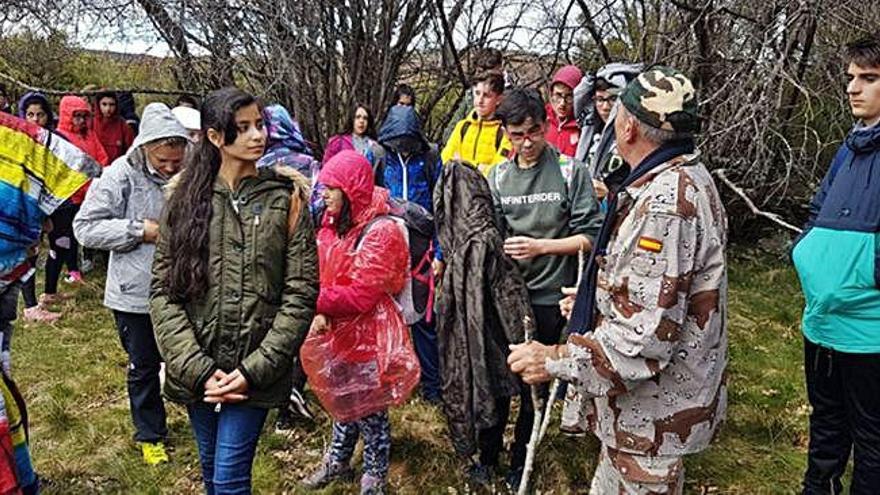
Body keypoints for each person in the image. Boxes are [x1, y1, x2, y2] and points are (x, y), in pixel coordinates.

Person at [508, 66, 728, 494]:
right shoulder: (680, 178)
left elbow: (643, 341)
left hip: (653, 416)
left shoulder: (666, 205)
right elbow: (666, 293)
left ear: (627, 127)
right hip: (641, 417)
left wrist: (552, 359)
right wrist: (603, 297)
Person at [150, 87, 318, 494]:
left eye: (259, 125)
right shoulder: (185, 201)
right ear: (214, 136)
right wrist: (198, 369)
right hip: (198, 368)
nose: (257, 135)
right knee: (211, 474)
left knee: (228, 481)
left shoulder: (286, 199)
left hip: (254, 370)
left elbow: (300, 294)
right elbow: (163, 292)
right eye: (242, 128)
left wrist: (252, 371)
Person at [487, 88, 602, 488]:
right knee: (502, 381)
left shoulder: (571, 172)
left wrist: (543, 247)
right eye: (517, 135)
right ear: (505, 133)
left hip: (555, 297)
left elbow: (591, 236)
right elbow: (491, 238)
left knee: (536, 386)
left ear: (546, 126)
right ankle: (487, 457)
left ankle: (523, 459)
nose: (527, 142)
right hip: (511, 301)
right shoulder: (497, 176)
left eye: (534, 132)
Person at [74, 102, 191, 465]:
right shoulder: (119, 175)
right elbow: (85, 227)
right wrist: (140, 230)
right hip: (134, 293)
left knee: (189, 357)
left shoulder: (190, 171)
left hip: (183, 286)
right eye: (163, 162)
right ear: (144, 148)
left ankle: (204, 421)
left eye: (177, 160)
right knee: (143, 365)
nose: (171, 168)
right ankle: (150, 434)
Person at [791, 35, 880, 494]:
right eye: (850, 78)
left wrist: (863, 276)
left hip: (870, 333)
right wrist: (805, 253)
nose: (853, 88)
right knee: (826, 428)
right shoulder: (847, 150)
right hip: (821, 325)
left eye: (869, 78)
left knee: (872, 442)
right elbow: (816, 213)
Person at [300, 150, 416, 495]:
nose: (324, 197)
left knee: (370, 408)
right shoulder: (335, 224)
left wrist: (310, 301)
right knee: (343, 400)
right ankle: (337, 461)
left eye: (331, 189)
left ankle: (374, 475)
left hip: (369, 333)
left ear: (350, 190)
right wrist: (319, 307)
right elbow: (324, 271)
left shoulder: (381, 232)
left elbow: (361, 296)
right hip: (337, 329)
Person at [432, 159, 533, 486]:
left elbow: (508, 298)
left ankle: (511, 462)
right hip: (486, 342)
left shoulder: (481, 244)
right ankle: (490, 459)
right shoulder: (471, 245)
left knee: (499, 395)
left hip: (495, 342)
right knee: (493, 395)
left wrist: (523, 339)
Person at [256, 103, 321, 431]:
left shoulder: (255, 165)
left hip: (263, 257)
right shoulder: (309, 165)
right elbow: (321, 209)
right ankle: (291, 393)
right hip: (301, 254)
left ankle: (266, 393)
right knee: (297, 324)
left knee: (270, 326)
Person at [375, 104, 443, 403]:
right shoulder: (378, 157)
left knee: (425, 320)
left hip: (422, 250)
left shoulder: (428, 159)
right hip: (388, 247)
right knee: (387, 319)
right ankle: (392, 384)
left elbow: (442, 207)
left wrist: (440, 253)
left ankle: (432, 387)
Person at [46, 95, 109, 296]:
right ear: (67, 116)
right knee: (66, 236)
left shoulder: (90, 135)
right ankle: (66, 272)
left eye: (84, 116)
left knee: (80, 231)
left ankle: (78, 266)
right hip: (69, 196)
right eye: (77, 116)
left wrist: (98, 175)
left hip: (89, 193)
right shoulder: (60, 137)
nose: (81, 121)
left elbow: (101, 158)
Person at [15, 93, 61, 322]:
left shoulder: (51, 143)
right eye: (30, 114)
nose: (35, 119)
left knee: (33, 253)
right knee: (26, 253)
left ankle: (31, 304)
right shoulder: (17, 143)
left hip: (41, 206)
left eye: (40, 114)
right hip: (21, 206)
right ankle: (30, 306)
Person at [573, 63, 643, 200]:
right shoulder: (589, 135)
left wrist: (608, 194)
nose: (605, 107)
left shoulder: (635, 140)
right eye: (600, 99)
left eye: (612, 99)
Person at [441, 71, 512, 176]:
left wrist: (462, 164)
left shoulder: (504, 132)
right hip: (459, 189)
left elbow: (498, 171)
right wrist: (479, 167)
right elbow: (445, 159)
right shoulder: (462, 126)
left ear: (498, 99)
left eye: (487, 96)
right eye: (477, 93)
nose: (480, 100)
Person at [545, 65, 583, 157]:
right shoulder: (540, 119)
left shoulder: (583, 127)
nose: (562, 103)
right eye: (558, 95)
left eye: (569, 97)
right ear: (551, 95)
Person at [93, 90, 135, 163]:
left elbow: (131, 150)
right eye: (104, 104)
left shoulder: (123, 126)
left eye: (112, 104)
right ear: (98, 105)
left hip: (117, 168)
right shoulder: (91, 123)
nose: (108, 109)